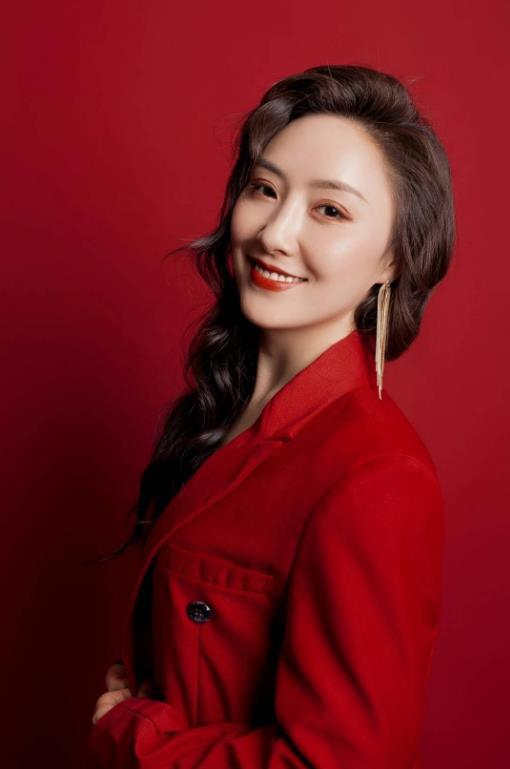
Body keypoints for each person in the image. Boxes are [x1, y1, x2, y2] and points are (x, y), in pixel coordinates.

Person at [86, 63, 455, 768]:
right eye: (265, 188)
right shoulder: (223, 411)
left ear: (394, 258)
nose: (275, 233)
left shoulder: (376, 476)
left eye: (330, 210)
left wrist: (135, 739)